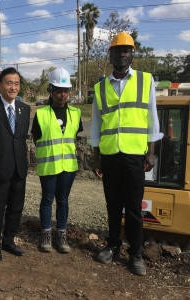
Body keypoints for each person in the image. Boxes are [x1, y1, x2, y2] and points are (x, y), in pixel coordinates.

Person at [90, 32, 163, 276]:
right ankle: (112, 245)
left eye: (126, 50)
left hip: (134, 155)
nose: (122, 54)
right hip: (110, 155)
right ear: (110, 54)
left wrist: (151, 152)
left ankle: (136, 254)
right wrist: (96, 156)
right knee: (112, 205)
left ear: (132, 54)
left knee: (133, 207)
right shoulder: (100, 88)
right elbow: (96, 126)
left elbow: (152, 119)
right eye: (117, 50)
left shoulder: (145, 80)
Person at [0, 67, 30, 263]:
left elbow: (20, 138)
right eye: (9, 83)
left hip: (19, 168)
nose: (13, 87)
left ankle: (9, 240)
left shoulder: (24, 109)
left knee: (16, 208)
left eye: (16, 84)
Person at [31, 67, 83, 253]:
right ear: (51, 91)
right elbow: (37, 137)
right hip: (48, 165)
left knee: (63, 200)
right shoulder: (42, 113)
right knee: (47, 199)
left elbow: (74, 136)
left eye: (66, 91)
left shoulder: (76, 113)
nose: (63, 94)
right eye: (59, 91)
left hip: (68, 166)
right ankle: (45, 234)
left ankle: (61, 234)